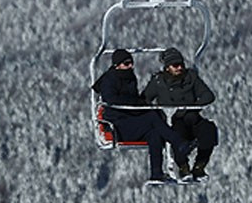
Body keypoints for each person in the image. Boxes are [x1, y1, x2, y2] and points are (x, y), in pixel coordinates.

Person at [93, 49, 190, 184]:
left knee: (154, 132)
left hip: (130, 122)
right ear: (117, 65)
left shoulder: (129, 78)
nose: (130, 66)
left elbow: (132, 100)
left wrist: (141, 104)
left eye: (131, 63)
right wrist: (137, 104)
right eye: (126, 64)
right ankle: (178, 142)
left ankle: (157, 174)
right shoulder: (109, 79)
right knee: (151, 117)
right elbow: (112, 100)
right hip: (118, 125)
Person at [142, 47, 218, 181]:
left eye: (181, 64)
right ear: (167, 67)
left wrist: (192, 106)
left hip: (192, 117)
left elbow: (208, 95)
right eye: (175, 65)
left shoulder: (191, 78)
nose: (179, 68)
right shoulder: (159, 82)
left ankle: (199, 167)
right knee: (177, 137)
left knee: (209, 131)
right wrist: (156, 112)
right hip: (173, 119)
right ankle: (183, 167)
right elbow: (144, 99)